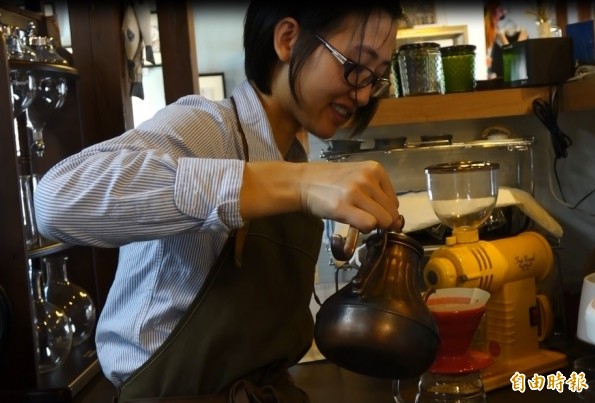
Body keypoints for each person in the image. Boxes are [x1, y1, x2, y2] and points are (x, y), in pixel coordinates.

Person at [34, 0, 404, 402]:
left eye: (377, 78)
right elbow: (56, 200)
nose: (364, 94)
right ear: (287, 39)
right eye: (355, 65)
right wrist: (292, 185)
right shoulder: (207, 128)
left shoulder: (295, 162)